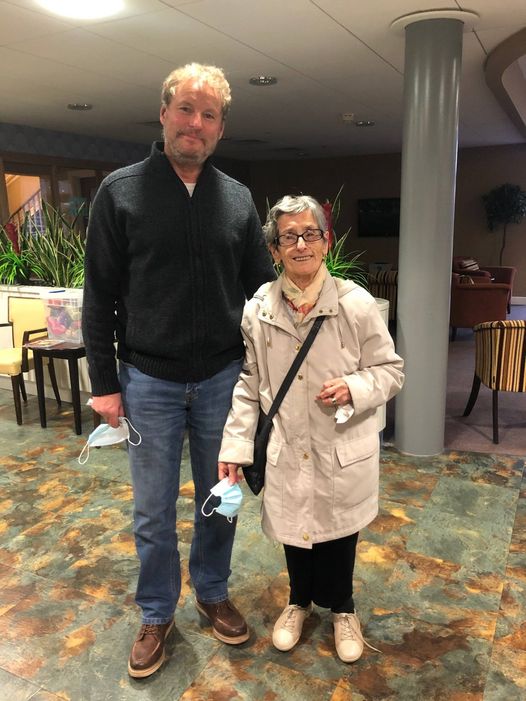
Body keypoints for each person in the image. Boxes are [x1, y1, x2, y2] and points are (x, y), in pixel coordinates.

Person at [82, 62, 276, 678]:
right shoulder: (120, 191)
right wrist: (105, 385)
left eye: (208, 114)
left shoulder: (237, 199)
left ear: (221, 128)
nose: (196, 123)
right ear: (164, 113)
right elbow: (98, 295)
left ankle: (212, 591)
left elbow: (262, 292)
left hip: (222, 379)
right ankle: (157, 611)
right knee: (153, 510)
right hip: (148, 382)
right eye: (186, 109)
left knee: (223, 496)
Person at [218, 195, 404, 663]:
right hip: (286, 443)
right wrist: (235, 447)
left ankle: (343, 609)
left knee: (339, 531)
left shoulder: (355, 305)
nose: (300, 244)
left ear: (326, 242)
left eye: (310, 234)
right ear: (275, 250)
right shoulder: (259, 309)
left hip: (340, 444)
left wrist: (354, 387)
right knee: (295, 528)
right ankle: (298, 602)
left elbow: (391, 370)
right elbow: (249, 383)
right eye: (288, 237)